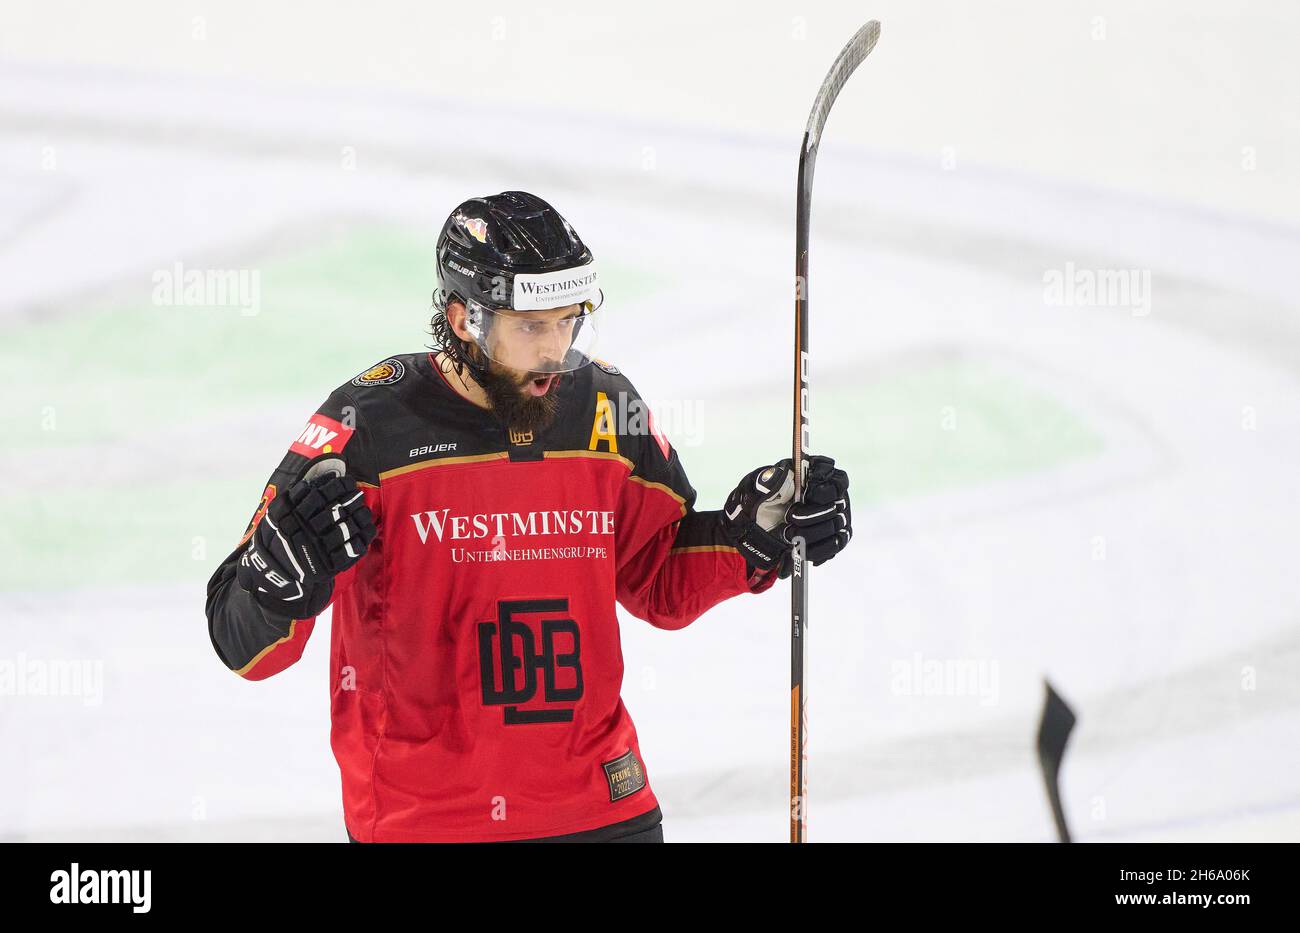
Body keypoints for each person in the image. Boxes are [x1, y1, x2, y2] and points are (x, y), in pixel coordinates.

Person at [204, 190, 853, 842]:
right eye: (532, 326)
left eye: (569, 321)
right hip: (431, 821)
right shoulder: (365, 427)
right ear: (463, 320)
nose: (556, 349)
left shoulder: (604, 406)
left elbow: (658, 577)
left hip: (604, 803)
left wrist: (753, 537)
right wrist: (278, 583)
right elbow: (245, 647)